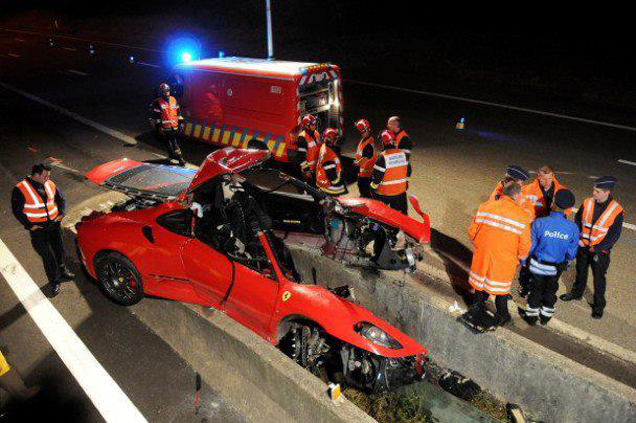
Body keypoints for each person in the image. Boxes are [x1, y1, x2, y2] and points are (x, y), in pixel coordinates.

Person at [466, 183, 531, 326]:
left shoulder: (485, 207)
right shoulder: (521, 216)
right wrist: (520, 258)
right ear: (517, 196)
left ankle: (477, 305)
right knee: (500, 288)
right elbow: (525, 245)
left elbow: (472, 231)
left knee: (480, 282)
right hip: (504, 259)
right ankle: (503, 315)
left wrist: (480, 245)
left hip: (483, 254)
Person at [560, 176, 624, 319]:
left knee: (599, 279)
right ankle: (576, 293)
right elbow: (578, 219)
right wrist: (578, 238)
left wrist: (597, 248)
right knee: (580, 272)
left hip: (599, 252)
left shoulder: (616, 210)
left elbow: (613, 235)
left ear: (607, 192)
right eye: (594, 190)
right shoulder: (588, 202)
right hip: (583, 246)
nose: (593, 193)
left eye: (597, 191)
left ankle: (598, 305)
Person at [11, 164, 74, 297]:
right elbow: (17, 211)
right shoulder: (20, 189)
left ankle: (62, 271)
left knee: (59, 250)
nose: (48, 178)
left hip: (54, 225)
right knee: (48, 257)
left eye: (48, 176)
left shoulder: (49, 183)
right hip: (38, 230)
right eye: (45, 176)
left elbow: (60, 199)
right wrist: (29, 225)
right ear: (36, 175)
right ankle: (55, 281)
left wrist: (61, 214)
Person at [521, 189, 579, 326]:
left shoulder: (539, 223)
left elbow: (530, 246)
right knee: (551, 289)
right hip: (556, 266)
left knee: (535, 289)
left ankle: (531, 317)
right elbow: (572, 252)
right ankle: (546, 317)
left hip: (538, 264)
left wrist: (523, 260)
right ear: (568, 208)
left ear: (553, 203)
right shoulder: (573, 228)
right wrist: (567, 262)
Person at [371, 130, 411, 215]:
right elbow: (409, 171)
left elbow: (377, 178)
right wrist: (405, 183)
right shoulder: (403, 155)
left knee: (379, 215)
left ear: (383, 142)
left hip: (384, 194)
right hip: (400, 193)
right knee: (401, 217)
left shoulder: (382, 158)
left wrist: (372, 188)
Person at [150, 82, 185, 166]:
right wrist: (159, 127)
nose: (166, 93)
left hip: (174, 127)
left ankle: (176, 157)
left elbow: (178, 112)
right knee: (170, 142)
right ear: (161, 92)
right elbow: (156, 117)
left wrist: (181, 122)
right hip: (165, 128)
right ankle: (179, 158)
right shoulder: (157, 102)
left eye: (167, 91)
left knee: (172, 142)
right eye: (164, 91)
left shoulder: (173, 99)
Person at [315, 128, 347, 196]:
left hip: (324, 182)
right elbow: (332, 177)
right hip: (329, 187)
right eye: (334, 139)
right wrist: (340, 182)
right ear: (329, 140)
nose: (336, 141)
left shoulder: (325, 146)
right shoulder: (328, 154)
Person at [353, 119, 377, 198]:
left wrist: (353, 164)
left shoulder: (368, 144)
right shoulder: (366, 139)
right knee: (364, 195)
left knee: (366, 196)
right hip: (363, 174)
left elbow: (364, 159)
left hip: (366, 176)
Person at [296, 114, 321, 182]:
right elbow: (300, 157)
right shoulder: (302, 138)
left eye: (315, 124)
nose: (314, 126)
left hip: (317, 168)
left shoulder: (316, 133)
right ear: (306, 126)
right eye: (312, 125)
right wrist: (307, 170)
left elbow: (320, 148)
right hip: (308, 171)